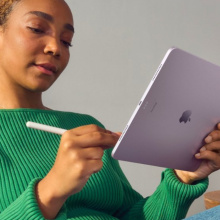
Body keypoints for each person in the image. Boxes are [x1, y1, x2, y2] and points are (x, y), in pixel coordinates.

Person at [0, 0, 219, 219]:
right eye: (37, 29)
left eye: (66, 42)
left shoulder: (82, 127)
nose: (55, 48)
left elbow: (133, 216)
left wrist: (183, 178)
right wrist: (52, 189)